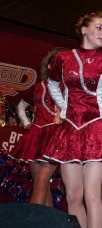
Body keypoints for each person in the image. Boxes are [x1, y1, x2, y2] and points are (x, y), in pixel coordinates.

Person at [43, 11, 102, 228]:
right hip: (70, 129)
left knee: (92, 193)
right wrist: (65, 106)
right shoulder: (63, 58)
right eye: (98, 27)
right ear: (84, 29)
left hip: (98, 126)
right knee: (74, 194)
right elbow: (51, 84)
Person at [9, 47, 65, 207]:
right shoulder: (37, 87)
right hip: (35, 137)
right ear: (48, 66)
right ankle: (47, 220)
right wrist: (26, 123)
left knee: (41, 181)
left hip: (55, 136)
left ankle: (34, 221)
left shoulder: (67, 89)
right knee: (41, 184)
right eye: (56, 63)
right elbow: (21, 106)